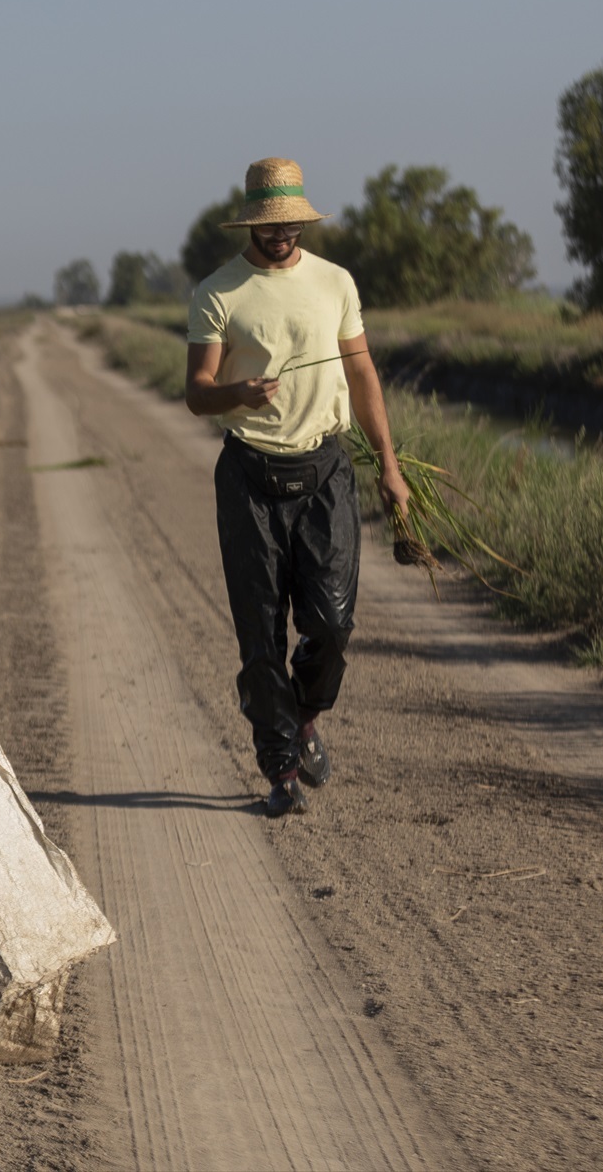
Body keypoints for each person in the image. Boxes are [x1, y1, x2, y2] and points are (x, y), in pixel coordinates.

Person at [184, 158, 411, 819]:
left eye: (290, 223)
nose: (280, 234)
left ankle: (305, 714)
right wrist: (238, 392)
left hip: (325, 475)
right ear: (252, 223)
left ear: (301, 221)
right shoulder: (218, 292)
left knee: (332, 624)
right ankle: (280, 768)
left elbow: (362, 373)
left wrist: (389, 467)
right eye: (268, 224)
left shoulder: (335, 282)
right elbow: (197, 395)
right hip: (249, 479)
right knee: (260, 638)